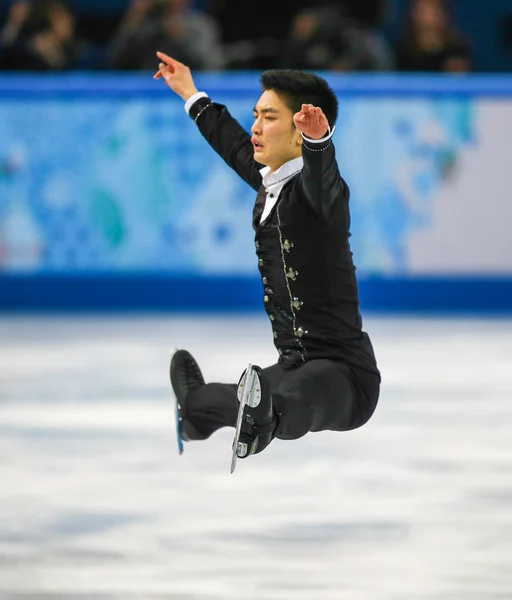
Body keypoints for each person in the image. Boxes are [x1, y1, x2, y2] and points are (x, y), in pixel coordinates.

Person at [154, 51, 381, 462]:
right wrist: (190, 92)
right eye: (256, 115)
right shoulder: (270, 181)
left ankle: (265, 421)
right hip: (293, 362)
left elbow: (322, 179)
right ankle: (197, 413)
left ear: (299, 131)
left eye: (269, 117)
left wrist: (319, 143)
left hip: (346, 377)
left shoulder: (321, 198)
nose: (256, 127)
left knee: (291, 396)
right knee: (222, 397)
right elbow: (231, 142)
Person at [107, 0, 223, 71]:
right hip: (143, 92)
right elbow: (112, 62)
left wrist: (178, 33)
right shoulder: (141, 25)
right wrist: (134, 18)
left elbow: (207, 65)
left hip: (185, 90)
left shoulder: (199, 25)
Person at [395, 0, 471, 73]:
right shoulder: (402, 51)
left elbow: (463, 82)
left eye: (435, 8)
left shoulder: (458, 51)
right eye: (423, 9)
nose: (429, 15)